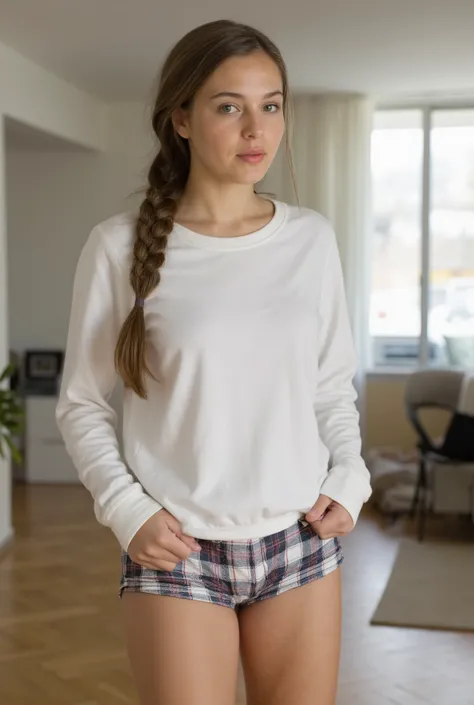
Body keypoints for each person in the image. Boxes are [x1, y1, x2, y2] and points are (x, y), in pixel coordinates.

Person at [56, 18, 372, 705]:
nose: (256, 128)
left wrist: (349, 473)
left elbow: (329, 387)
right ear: (182, 119)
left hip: (301, 542)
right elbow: (81, 401)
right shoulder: (116, 247)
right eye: (230, 106)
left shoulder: (311, 239)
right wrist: (125, 507)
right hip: (179, 551)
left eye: (272, 104)